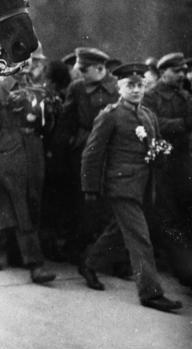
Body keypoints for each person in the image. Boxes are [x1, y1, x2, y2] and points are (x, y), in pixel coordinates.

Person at [79, 63, 183, 313]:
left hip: (144, 186)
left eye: (140, 85)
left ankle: (89, 263)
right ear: (120, 87)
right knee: (140, 239)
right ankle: (151, 293)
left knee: (118, 231)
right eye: (130, 86)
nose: (136, 90)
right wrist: (90, 186)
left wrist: (160, 154)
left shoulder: (148, 115)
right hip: (121, 186)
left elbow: (154, 145)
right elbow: (92, 153)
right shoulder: (110, 115)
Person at [0, 50, 57, 284]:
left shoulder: (37, 88)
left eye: (34, 61)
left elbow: (45, 123)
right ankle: (35, 265)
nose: (30, 65)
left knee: (24, 205)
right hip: (5, 152)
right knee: (18, 206)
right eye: (24, 60)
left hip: (33, 151)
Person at [54, 46, 119, 263]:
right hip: (82, 151)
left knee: (108, 203)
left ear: (99, 69)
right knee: (80, 200)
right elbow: (66, 120)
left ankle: (107, 255)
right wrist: (64, 147)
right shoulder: (78, 88)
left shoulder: (118, 88)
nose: (78, 73)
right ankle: (77, 249)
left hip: (111, 151)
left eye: (83, 70)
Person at [142, 52, 192, 287]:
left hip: (183, 160)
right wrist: (182, 125)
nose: (182, 75)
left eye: (183, 71)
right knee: (167, 213)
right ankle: (182, 269)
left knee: (183, 211)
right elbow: (152, 123)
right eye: (177, 71)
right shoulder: (151, 96)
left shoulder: (184, 95)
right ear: (163, 73)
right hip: (162, 160)